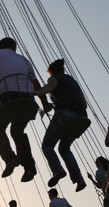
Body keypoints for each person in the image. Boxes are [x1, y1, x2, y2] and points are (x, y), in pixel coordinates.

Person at [0, 37, 52, 182]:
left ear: (0, 47)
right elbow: (36, 85)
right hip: (28, 100)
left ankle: (10, 158)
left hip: (7, 99)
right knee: (17, 132)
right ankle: (29, 167)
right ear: (14, 48)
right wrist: (45, 104)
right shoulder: (24, 60)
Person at [35, 59, 88, 192]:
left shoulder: (54, 78)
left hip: (65, 115)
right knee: (64, 149)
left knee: (47, 145)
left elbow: (48, 88)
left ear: (52, 72)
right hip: (81, 117)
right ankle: (79, 180)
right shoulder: (72, 80)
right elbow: (84, 103)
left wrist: (35, 92)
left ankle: (58, 170)